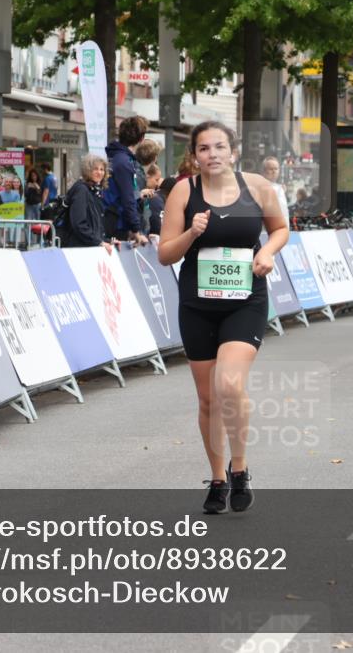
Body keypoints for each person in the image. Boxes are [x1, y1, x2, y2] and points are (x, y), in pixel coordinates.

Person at [157, 121, 289, 514]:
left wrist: (267, 253)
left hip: (245, 300)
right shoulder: (184, 191)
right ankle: (217, 478)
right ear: (194, 155)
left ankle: (240, 468)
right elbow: (165, 254)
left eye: (219, 147)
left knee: (229, 384)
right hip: (197, 304)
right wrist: (191, 234)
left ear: (233, 151)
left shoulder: (257, 187)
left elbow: (280, 229)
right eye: (203, 148)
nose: (212, 154)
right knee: (208, 398)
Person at [103, 116, 149, 245]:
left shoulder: (116, 157)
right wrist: (136, 230)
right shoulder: (123, 162)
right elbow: (128, 198)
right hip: (116, 224)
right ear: (141, 138)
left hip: (111, 219)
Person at [58, 153, 114, 253]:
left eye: (102, 169)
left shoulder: (94, 191)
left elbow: (94, 226)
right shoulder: (81, 190)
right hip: (78, 250)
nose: (99, 172)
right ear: (88, 171)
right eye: (95, 169)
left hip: (88, 248)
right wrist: (99, 242)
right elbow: (79, 224)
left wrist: (108, 241)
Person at [261, 156, 290, 227]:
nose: (274, 171)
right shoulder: (260, 187)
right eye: (271, 169)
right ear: (264, 171)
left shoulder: (280, 188)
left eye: (276, 169)